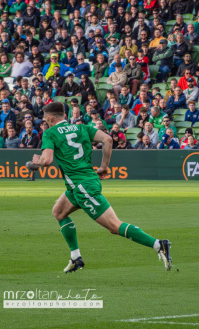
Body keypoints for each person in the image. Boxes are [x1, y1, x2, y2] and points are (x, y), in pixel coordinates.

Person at [30, 102, 172, 273]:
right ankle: (76, 258)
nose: (45, 122)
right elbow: (107, 139)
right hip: (84, 182)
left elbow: (46, 161)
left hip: (82, 187)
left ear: (51, 118)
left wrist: (35, 163)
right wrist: (104, 166)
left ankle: (159, 244)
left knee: (114, 226)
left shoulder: (50, 133)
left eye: (46, 119)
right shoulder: (82, 128)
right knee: (58, 212)